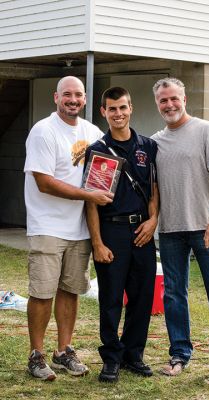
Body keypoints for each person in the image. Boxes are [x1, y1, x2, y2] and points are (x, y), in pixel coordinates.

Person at [24, 76, 113, 381]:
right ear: (56, 97)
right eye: (67, 95)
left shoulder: (92, 132)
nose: (72, 100)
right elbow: (44, 182)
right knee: (42, 292)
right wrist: (90, 194)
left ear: (85, 99)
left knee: (70, 290)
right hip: (47, 224)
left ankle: (63, 351)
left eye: (78, 95)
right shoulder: (43, 131)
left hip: (80, 228)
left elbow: (110, 161)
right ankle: (36, 355)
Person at [151, 77, 209, 386]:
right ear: (157, 104)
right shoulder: (155, 141)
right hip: (171, 231)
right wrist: (153, 221)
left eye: (174, 98)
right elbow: (155, 189)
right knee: (174, 295)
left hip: (206, 229)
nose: (169, 104)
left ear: (184, 99)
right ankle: (179, 354)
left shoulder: (206, 131)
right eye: (163, 100)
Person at [85, 86, 159, 383]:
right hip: (112, 231)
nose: (118, 114)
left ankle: (133, 355)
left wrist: (153, 221)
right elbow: (91, 200)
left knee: (142, 297)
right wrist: (98, 243)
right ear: (104, 111)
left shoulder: (148, 147)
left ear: (131, 109)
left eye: (123, 108)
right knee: (112, 299)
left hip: (142, 230)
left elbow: (154, 190)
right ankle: (112, 358)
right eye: (112, 109)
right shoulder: (98, 150)